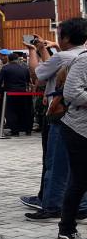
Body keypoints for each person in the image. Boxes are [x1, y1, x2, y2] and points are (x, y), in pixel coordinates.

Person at [21, 19, 87, 216]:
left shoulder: (65, 56)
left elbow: (37, 74)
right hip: (80, 118)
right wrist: (44, 49)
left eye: (59, 34)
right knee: (78, 167)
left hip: (62, 115)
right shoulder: (81, 54)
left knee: (56, 162)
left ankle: (52, 205)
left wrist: (33, 51)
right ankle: (79, 207)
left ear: (65, 37)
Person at [56, 22, 87, 239]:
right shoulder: (84, 59)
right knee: (80, 179)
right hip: (79, 129)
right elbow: (72, 91)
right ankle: (66, 230)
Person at [0, 53, 31, 136]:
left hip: (10, 92)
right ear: (18, 59)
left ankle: (14, 131)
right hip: (22, 92)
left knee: (10, 111)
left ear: (8, 60)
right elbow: (28, 80)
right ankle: (27, 129)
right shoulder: (24, 68)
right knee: (23, 110)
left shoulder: (5, 68)